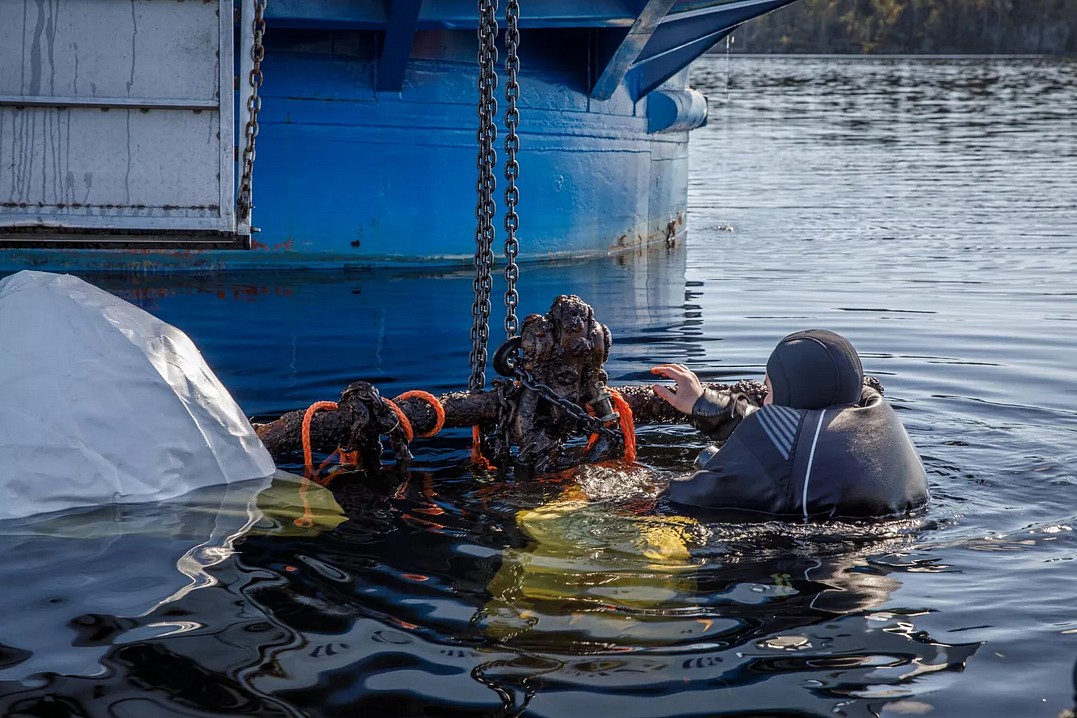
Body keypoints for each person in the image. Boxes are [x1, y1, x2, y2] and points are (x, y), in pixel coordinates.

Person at [651, 329, 929, 520]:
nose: (765, 401)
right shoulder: (874, 418)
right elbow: (790, 439)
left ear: (791, 392)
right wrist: (702, 402)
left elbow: (682, 496)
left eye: (769, 390)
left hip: (801, 569)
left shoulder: (782, 454)